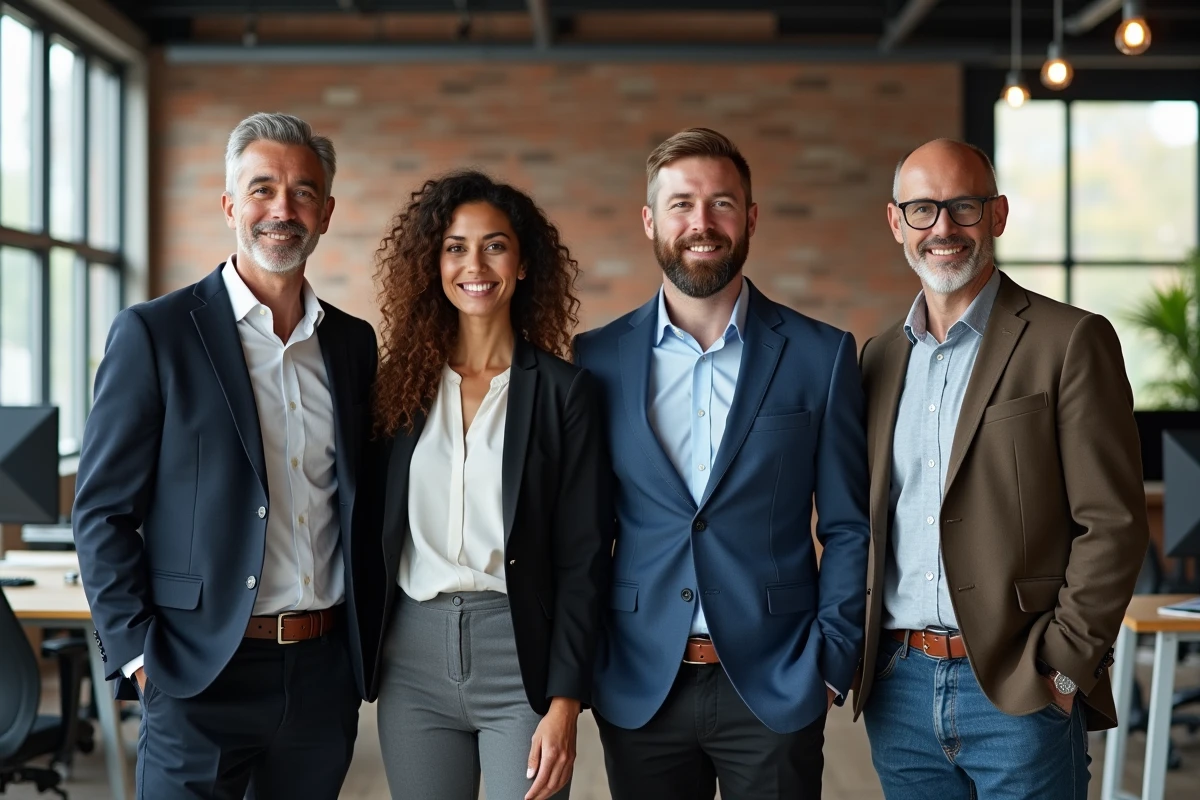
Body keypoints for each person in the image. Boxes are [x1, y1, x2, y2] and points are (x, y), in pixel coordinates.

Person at [72, 112, 378, 798]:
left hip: (321, 673)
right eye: (263, 188)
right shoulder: (155, 334)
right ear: (230, 205)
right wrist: (141, 657)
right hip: (197, 670)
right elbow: (100, 513)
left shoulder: (353, 346)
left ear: (326, 213)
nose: (282, 209)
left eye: (303, 192)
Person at [574, 127, 870, 799]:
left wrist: (832, 657)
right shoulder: (594, 362)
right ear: (650, 220)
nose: (701, 223)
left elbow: (849, 525)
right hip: (641, 678)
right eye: (681, 204)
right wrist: (588, 660)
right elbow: (585, 534)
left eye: (721, 204)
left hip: (777, 680)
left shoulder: (820, 357)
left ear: (751, 217)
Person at [855, 138, 1149, 799]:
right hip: (898, 689)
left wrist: (1065, 669)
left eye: (963, 206)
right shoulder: (878, 360)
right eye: (923, 209)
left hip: (1020, 690)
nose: (944, 229)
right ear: (896, 222)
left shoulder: (1069, 340)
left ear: (998, 215)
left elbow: (1113, 523)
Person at [366, 170, 613, 800]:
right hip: (412, 659)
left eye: (495, 245)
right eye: (455, 246)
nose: (474, 264)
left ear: (524, 263)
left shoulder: (566, 393)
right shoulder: (397, 389)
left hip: (521, 657)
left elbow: (585, 558)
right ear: (434, 263)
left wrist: (565, 701)